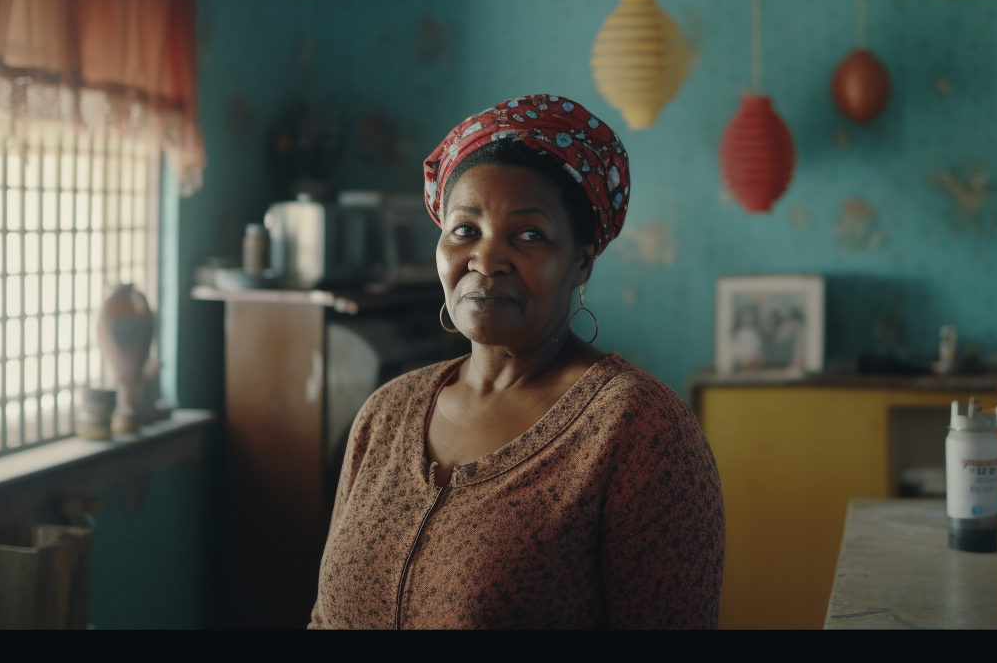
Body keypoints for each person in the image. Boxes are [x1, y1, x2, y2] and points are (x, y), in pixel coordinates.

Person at [309, 95, 725, 629]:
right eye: (465, 230)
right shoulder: (386, 413)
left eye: (529, 234)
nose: (486, 258)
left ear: (581, 262)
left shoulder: (638, 430)